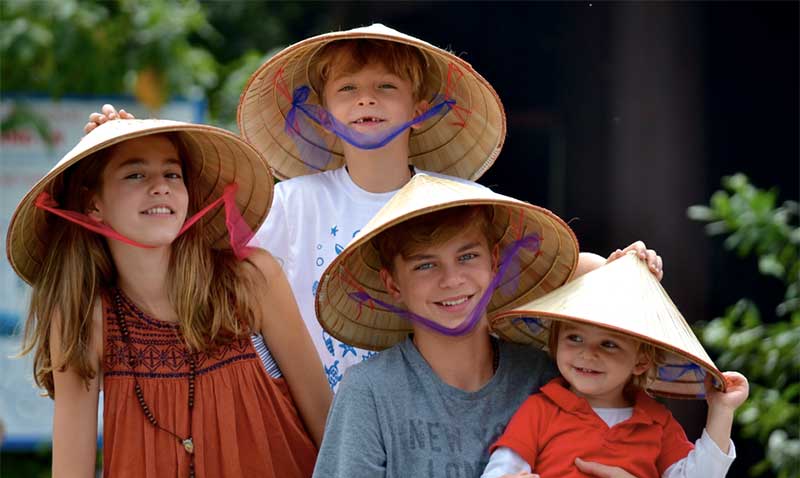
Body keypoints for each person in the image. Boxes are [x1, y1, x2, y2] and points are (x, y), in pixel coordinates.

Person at [88, 24, 662, 390]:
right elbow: (199, 269)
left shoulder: (462, 205)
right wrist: (125, 145)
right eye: (347, 89)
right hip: (311, 417)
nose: (366, 98)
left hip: (432, 413)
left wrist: (621, 266)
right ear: (320, 113)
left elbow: (546, 271)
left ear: (422, 104)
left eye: (386, 87)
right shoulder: (291, 204)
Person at [307, 174, 682, 478]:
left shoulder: (550, 374)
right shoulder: (371, 392)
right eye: (425, 264)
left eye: (467, 257)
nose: (451, 279)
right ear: (393, 284)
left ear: (495, 260)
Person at [8, 119, 331, 478]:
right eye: (135, 174)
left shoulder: (249, 281)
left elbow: (330, 431)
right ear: (94, 205)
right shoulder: (86, 317)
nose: (160, 186)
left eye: (172, 173)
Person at [483, 251, 749, 478]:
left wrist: (721, 411)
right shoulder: (541, 408)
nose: (587, 354)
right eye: (574, 337)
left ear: (641, 361)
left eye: (608, 344)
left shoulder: (656, 422)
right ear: (555, 342)